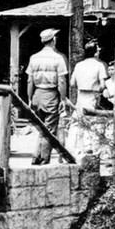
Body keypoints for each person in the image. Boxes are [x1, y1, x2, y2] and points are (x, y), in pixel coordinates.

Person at [26, 28, 68, 165]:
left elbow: (29, 80)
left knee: (40, 127)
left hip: (37, 93)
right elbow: (62, 81)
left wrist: (29, 98)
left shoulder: (34, 57)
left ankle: (36, 155)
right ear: (53, 40)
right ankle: (44, 157)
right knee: (49, 128)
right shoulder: (58, 58)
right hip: (51, 94)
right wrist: (63, 99)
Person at [67, 42, 108, 156]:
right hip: (92, 95)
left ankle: (74, 148)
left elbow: (72, 83)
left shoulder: (79, 65)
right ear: (96, 52)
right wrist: (97, 89)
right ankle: (89, 148)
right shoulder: (99, 65)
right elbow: (103, 85)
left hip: (81, 94)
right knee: (91, 122)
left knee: (77, 122)